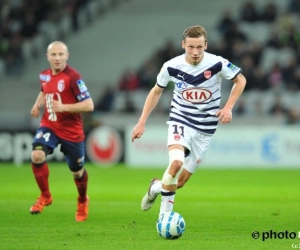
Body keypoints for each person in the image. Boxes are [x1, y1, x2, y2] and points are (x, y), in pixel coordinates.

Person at [131, 25, 246, 217]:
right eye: (191, 47)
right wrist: (142, 121)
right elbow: (156, 91)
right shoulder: (171, 66)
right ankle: (164, 218)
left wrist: (228, 107)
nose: (195, 52)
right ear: (183, 44)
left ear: (206, 45)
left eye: (199, 47)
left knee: (180, 182)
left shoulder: (217, 64)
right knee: (175, 164)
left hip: (206, 129)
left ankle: (155, 187)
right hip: (181, 119)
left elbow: (240, 80)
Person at [29, 41, 94, 222]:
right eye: (53, 55)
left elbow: (89, 105)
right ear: (47, 57)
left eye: (60, 54)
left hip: (71, 131)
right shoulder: (44, 75)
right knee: (37, 155)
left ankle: (82, 200)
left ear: (67, 56)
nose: (57, 58)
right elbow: (44, 90)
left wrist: (64, 106)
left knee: (77, 172)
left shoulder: (73, 77)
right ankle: (45, 195)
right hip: (49, 125)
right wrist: (37, 104)